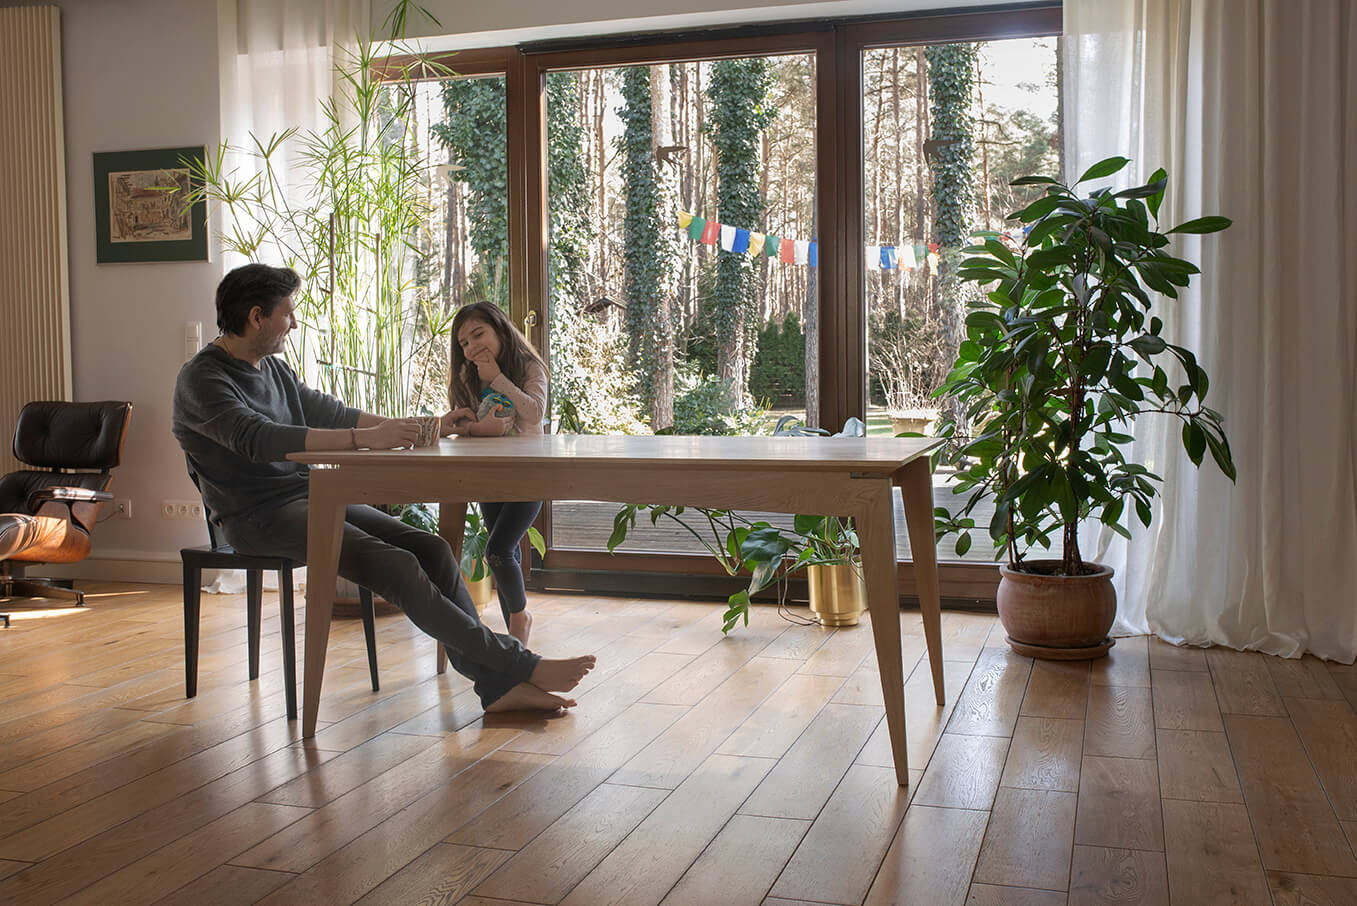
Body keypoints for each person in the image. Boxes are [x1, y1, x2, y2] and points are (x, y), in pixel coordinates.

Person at [172, 264, 593, 713]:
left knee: (431, 550)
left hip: (308, 499)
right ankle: (518, 666)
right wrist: (361, 440)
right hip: (254, 518)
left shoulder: (274, 371)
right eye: (287, 314)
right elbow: (259, 439)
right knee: (394, 565)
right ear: (257, 317)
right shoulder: (202, 379)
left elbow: (330, 411)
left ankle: (497, 688)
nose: (294, 323)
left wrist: (428, 426)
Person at [443, 301, 547, 645]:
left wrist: (497, 380)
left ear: (500, 329)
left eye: (478, 334)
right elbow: (465, 425)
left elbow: (533, 414)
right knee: (507, 555)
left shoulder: (530, 367)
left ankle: (520, 619)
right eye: (464, 343)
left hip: (529, 474)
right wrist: (476, 429)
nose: (472, 347)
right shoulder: (466, 376)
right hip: (489, 475)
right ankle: (517, 645)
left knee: (498, 551)